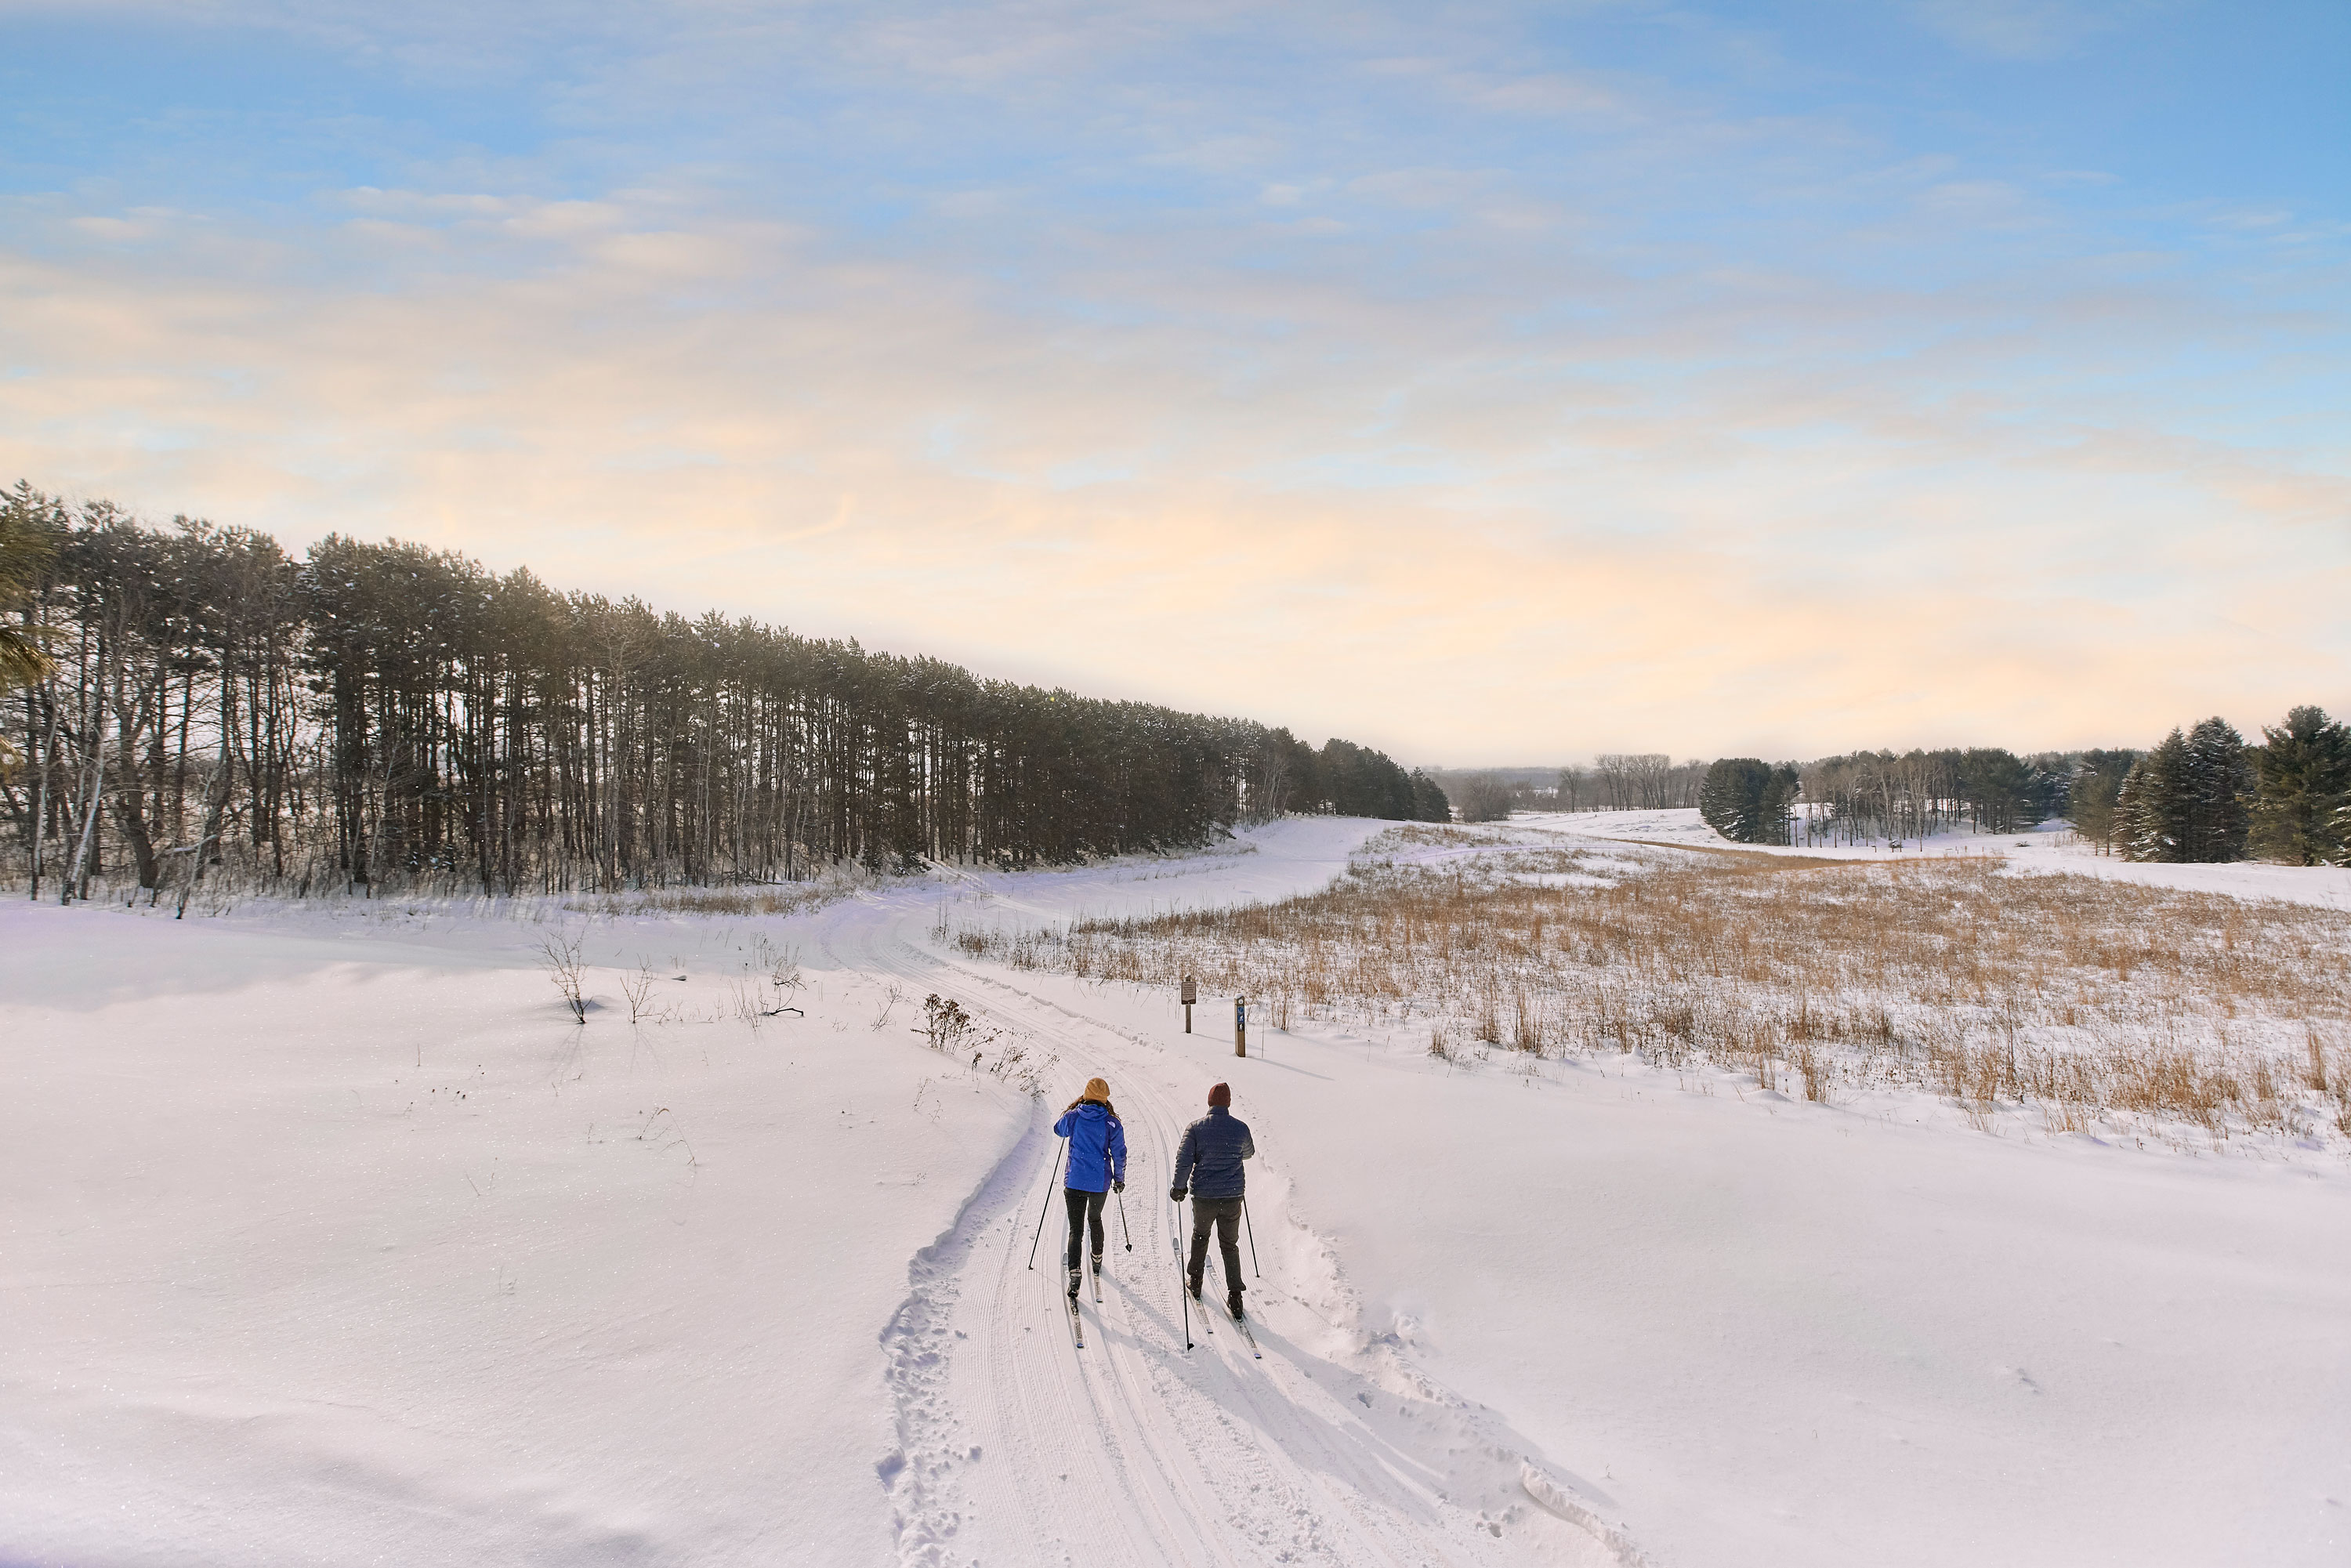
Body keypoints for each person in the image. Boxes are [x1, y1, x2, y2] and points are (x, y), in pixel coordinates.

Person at [1169, 1082, 1254, 1319]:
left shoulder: (1196, 1129)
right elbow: (1248, 1153)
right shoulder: (1240, 1129)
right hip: (1232, 1197)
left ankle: (1195, 1281)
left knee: (1200, 1235)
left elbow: (1184, 1161)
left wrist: (1179, 1187)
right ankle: (1236, 1295)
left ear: (1209, 1102)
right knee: (1229, 1245)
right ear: (1228, 1103)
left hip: (1204, 1196)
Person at [1052, 1077, 1127, 1299]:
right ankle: (1097, 1258)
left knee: (1076, 1229)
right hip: (1099, 1183)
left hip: (1075, 1181)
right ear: (1105, 1099)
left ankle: (1075, 1273)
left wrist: (1074, 1109)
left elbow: (1059, 1129)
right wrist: (1119, 1179)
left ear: (1085, 1094)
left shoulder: (1074, 1117)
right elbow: (1119, 1154)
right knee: (1095, 1219)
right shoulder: (1111, 1123)